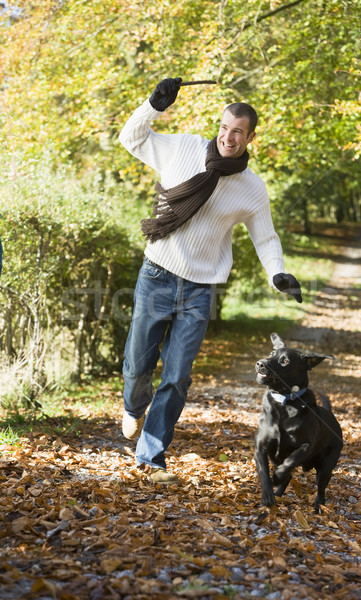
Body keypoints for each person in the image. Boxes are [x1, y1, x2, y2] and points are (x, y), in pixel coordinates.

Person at [119, 77, 302, 484]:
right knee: (137, 366)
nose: (228, 138)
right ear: (217, 126)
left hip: (200, 290)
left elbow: (266, 238)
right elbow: (131, 138)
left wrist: (278, 274)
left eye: (237, 132)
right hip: (157, 274)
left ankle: (150, 459)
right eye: (223, 128)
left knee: (178, 375)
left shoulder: (252, 189)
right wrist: (153, 105)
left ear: (250, 136)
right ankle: (132, 409)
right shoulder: (183, 148)